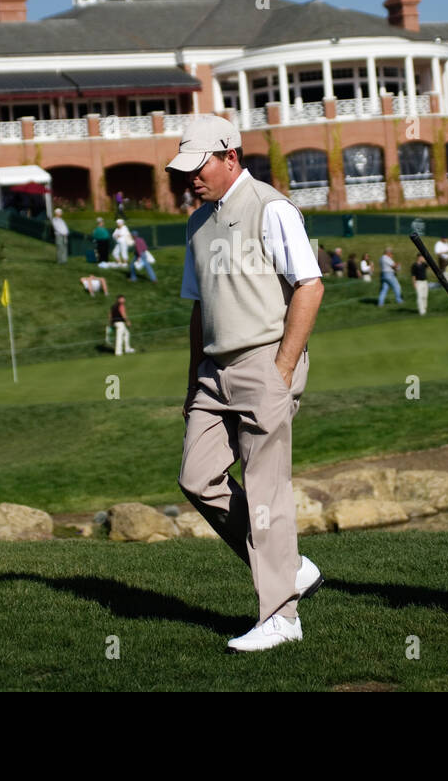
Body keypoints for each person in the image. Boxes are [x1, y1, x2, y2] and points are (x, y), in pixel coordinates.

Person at [169, 114, 325, 653]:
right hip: (213, 371)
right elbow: (199, 309)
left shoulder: (271, 206)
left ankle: (281, 617)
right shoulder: (197, 222)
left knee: (265, 490)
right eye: (185, 169)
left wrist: (283, 368)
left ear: (230, 156)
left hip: (264, 362)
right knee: (197, 477)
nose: (192, 177)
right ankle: (290, 566)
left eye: (200, 166)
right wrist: (193, 382)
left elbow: (309, 285)